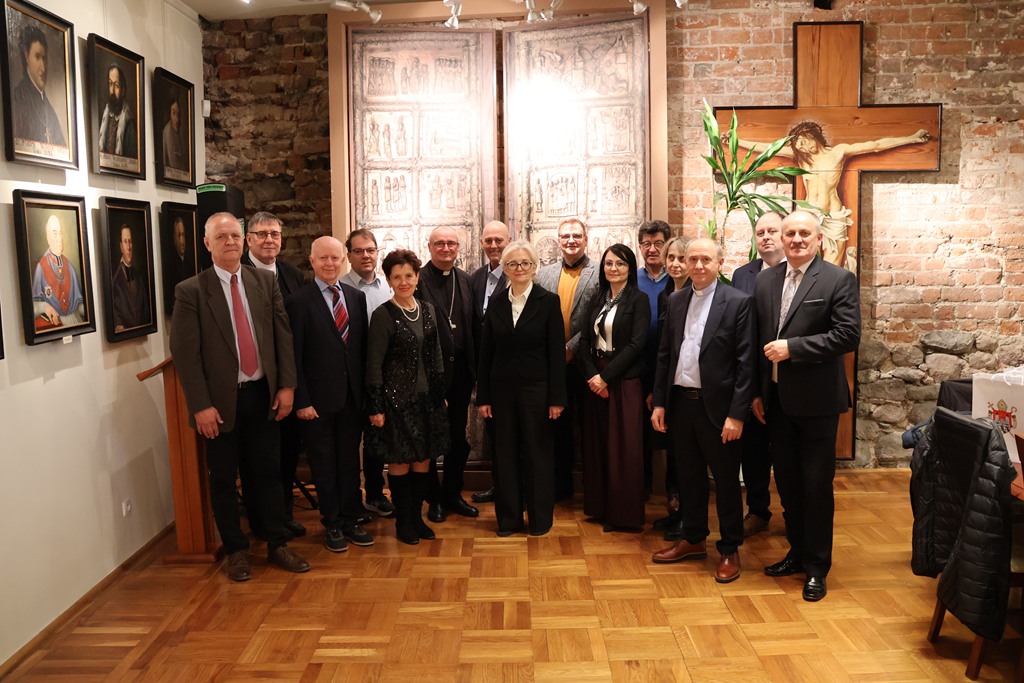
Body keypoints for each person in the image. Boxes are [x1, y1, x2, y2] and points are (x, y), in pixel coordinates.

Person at [169, 211, 309, 582]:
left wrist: (287, 386)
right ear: (207, 244)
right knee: (223, 478)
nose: (229, 242)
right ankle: (236, 550)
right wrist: (200, 405)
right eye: (221, 237)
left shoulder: (263, 281)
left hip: (263, 396)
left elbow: (282, 336)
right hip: (218, 404)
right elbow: (185, 354)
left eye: (234, 235)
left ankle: (277, 543)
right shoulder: (191, 291)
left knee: (268, 472)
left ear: (242, 239)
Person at [752, 210, 861, 602]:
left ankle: (817, 568)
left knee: (816, 487)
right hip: (777, 402)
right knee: (788, 485)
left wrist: (793, 349)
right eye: (790, 233)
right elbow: (759, 339)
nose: (796, 239)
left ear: (818, 239)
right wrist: (758, 392)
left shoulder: (837, 279)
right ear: (781, 239)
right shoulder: (765, 281)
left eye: (804, 233)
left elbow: (847, 335)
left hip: (817, 404)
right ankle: (796, 553)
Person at [650, 238, 755, 583]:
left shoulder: (738, 302)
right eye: (692, 258)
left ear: (719, 263)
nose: (697, 265)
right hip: (681, 403)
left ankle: (729, 548)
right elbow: (665, 355)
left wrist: (737, 414)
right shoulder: (676, 300)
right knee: (689, 476)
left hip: (720, 409)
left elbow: (746, 364)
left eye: (705, 259)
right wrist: (660, 402)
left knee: (725, 481)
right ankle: (693, 538)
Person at [730, 122, 929, 269]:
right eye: (798, 146)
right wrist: (737, 141)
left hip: (833, 215)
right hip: (808, 217)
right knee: (803, 266)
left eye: (802, 142)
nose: (801, 148)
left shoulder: (838, 152)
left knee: (832, 267)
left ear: (811, 135)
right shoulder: (802, 158)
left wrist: (912, 138)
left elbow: (875, 145)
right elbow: (768, 150)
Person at [286, 237, 372, 553]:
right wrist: (302, 400)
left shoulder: (356, 297)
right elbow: (294, 357)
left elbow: (360, 350)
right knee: (323, 464)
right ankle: (332, 523)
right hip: (317, 402)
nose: (330, 264)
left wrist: (367, 397)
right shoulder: (298, 302)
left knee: (349, 461)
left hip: (351, 398)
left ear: (343, 260)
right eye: (323, 258)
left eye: (335, 258)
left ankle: (350, 518)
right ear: (312, 261)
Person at [477, 240, 566, 536]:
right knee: (504, 455)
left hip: (537, 391)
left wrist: (556, 398)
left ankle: (540, 520)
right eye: (513, 264)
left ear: (534, 266)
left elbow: (556, 353)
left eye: (525, 263)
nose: (519, 268)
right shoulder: (497, 303)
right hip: (501, 392)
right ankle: (509, 520)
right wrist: (484, 397)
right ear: (504, 268)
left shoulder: (548, 301)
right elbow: (486, 353)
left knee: (538, 455)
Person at [366, 250, 449, 545]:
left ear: (417, 277)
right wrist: (376, 406)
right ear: (388, 280)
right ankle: (404, 522)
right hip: (396, 402)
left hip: (427, 401)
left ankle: (417, 518)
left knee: (423, 460)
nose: (404, 281)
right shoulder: (383, 315)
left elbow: (436, 355)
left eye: (409, 276)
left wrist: (440, 394)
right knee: (401, 462)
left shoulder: (427, 309)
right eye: (397, 277)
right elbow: (374, 364)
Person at [242, 211, 307, 540]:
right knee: (258, 458)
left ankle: (284, 513)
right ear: (248, 239)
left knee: (288, 450)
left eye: (275, 234)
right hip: (255, 382)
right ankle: (261, 520)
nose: (269, 240)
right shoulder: (237, 274)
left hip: (288, 379)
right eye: (262, 234)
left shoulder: (292, 274)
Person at [577, 243, 649, 531]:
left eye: (620, 263)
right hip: (595, 379)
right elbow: (584, 340)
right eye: (609, 263)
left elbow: (637, 344)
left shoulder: (638, 300)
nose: (614, 268)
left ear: (630, 268)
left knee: (623, 447)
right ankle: (599, 507)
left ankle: (623, 515)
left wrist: (606, 378)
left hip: (623, 380)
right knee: (598, 445)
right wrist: (593, 376)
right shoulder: (597, 298)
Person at [414, 227, 479, 522]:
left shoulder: (465, 280)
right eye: (439, 243)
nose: (446, 248)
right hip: (429, 373)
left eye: (451, 243)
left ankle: (453, 493)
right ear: (429, 247)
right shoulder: (417, 280)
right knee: (430, 437)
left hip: (461, 373)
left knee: (456, 437)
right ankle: (433, 498)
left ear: (458, 248)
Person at [536, 218, 601, 500]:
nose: (571, 241)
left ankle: (593, 489)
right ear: (558, 241)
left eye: (576, 236)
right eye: (565, 236)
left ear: (586, 239)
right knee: (557, 427)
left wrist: (571, 347)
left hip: (587, 364)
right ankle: (559, 486)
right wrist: (555, 352)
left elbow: (597, 317)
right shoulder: (544, 274)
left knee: (590, 427)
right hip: (554, 365)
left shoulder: (599, 272)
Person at [731, 211, 786, 538]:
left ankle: (795, 515)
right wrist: (750, 389)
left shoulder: (805, 272)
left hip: (789, 379)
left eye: (772, 231)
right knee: (753, 452)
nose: (766, 237)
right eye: (760, 231)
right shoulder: (743, 275)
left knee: (787, 454)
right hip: (752, 377)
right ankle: (757, 511)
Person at [341, 229, 395, 518]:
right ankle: (351, 502)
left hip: (382, 378)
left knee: (377, 441)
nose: (365, 255)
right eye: (358, 251)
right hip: (350, 379)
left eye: (370, 250)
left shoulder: (389, 288)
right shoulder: (339, 288)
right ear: (348, 255)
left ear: (377, 253)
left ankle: (375, 494)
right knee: (349, 444)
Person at [468, 220, 510, 505]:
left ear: (509, 241)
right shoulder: (475, 279)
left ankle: (516, 489)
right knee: (494, 431)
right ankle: (499, 485)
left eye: (499, 240)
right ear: (481, 243)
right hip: (486, 369)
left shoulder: (519, 275)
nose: (493, 245)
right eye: (488, 241)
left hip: (512, 369)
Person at [652, 236, 690, 539]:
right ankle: (676, 511)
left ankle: (688, 517)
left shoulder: (695, 293)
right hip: (669, 383)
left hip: (689, 383)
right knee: (674, 452)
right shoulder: (666, 294)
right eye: (671, 258)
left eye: (682, 258)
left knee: (687, 456)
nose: (675, 264)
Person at [635, 220, 670, 504]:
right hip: (638, 364)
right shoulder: (632, 278)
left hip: (669, 365)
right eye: (646, 244)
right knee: (639, 432)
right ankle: (641, 489)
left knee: (671, 432)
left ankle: (673, 493)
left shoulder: (677, 276)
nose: (652, 249)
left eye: (659, 243)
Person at [12, 25, 65, 147]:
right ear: (26, 56)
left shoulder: (48, 107)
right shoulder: (17, 99)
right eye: (37, 57)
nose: (43, 68)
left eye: (44, 58)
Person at [32, 214, 84, 328]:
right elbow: (33, 307)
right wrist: (45, 307)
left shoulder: (69, 266)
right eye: (55, 233)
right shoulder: (41, 267)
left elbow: (78, 305)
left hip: (76, 323)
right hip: (55, 327)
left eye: (60, 233)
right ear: (48, 238)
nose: (59, 238)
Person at [110, 225, 149, 332]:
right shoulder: (115, 281)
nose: (128, 247)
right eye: (125, 242)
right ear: (121, 247)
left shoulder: (139, 277)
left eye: (130, 241)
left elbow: (146, 310)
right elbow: (115, 318)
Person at [98, 64, 137, 159]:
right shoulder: (105, 116)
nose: (112, 90)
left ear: (123, 91)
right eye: (110, 84)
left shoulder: (129, 123)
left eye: (116, 85)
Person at [162, 98, 186, 171]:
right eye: (174, 113)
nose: (177, 119)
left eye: (178, 114)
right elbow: (173, 164)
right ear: (169, 114)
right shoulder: (168, 132)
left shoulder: (178, 132)